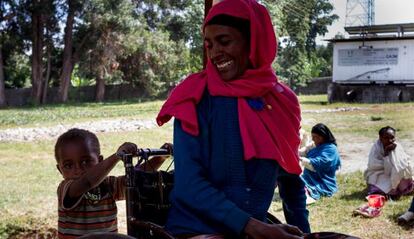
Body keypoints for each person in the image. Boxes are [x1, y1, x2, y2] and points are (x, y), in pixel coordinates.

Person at [156, 0, 310, 238]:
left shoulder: (282, 102)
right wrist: (252, 226)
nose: (215, 52)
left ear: (253, 41)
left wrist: (305, 234)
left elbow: (291, 179)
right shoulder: (194, 98)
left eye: (224, 41)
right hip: (195, 230)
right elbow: (189, 185)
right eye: (209, 45)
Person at [55, 128, 170, 238]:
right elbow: (87, 182)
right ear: (60, 170)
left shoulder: (108, 184)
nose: (78, 170)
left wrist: (159, 158)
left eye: (86, 161)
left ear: (100, 161)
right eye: (68, 165)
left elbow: (137, 179)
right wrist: (116, 157)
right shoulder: (65, 189)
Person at [364, 126, 414, 199]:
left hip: (396, 174)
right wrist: (386, 154)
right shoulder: (376, 149)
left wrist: (395, 168)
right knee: (380, 185)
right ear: (380, 138)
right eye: (386, 138)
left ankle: (398, 190)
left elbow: (403, 164)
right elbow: (373, 166)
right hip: (380, 173)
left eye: (392, 137)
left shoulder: (397, 147)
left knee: (404, 178)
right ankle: (391, 192)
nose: (390, 140)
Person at [299, 123, 341, 203]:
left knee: (298, 187)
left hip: (322, 182)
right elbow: (302, 152)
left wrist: (301, 159)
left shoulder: (331, 149)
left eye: (316, 137)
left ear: (323, 136)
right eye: (313, 137)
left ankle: (307, 193)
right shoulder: (314, 145)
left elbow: (318, 164)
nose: (314, 139)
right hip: (308, 179)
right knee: (290, 181)